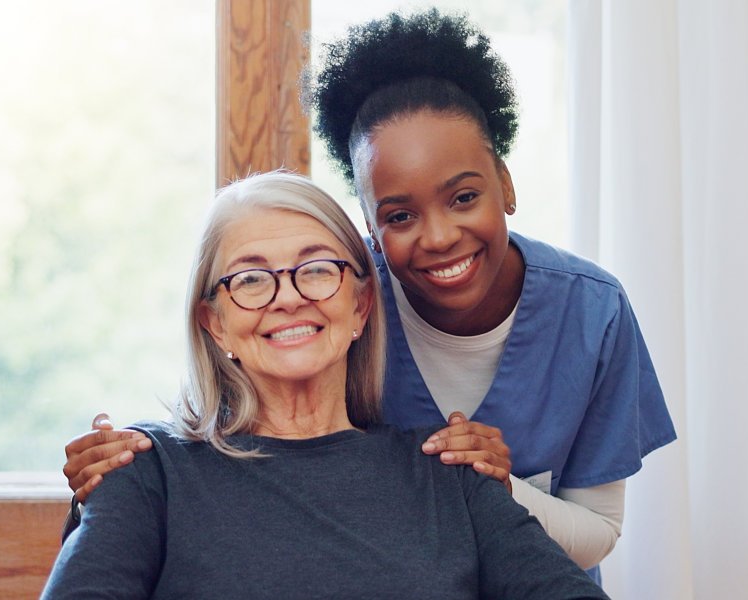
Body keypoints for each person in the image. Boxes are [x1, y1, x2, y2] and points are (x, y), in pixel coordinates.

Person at [62, 9, 676, 575]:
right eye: (399, 216)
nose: (438, 236)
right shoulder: (330, 298)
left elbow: (599, 529)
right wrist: (132, 462)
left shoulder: (593, 312)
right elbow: (246, 422)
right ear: (369, 230)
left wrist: (495, 483)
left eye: (464, 197)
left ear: (506, 185)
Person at [38, 173, 606, 599]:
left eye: (316, 269)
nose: (288, 297)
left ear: (360, 306)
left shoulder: (449, 473)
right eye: (251, 278)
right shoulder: (145, 472)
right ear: (214, 323)